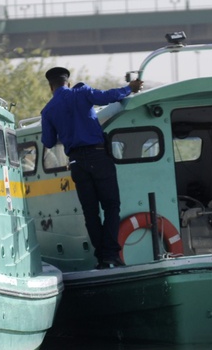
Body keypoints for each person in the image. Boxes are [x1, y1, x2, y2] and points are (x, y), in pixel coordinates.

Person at [40, 66, 143, 269]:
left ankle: (101, 258)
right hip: (98, 156)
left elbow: (49, 141)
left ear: (51, 87)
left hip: (77, 162)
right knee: (111, 206)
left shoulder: (48, 110)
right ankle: (111, 254)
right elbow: (107, 97)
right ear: (67, 83)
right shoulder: (82, 93)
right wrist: (129, 88)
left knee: (91, 212)